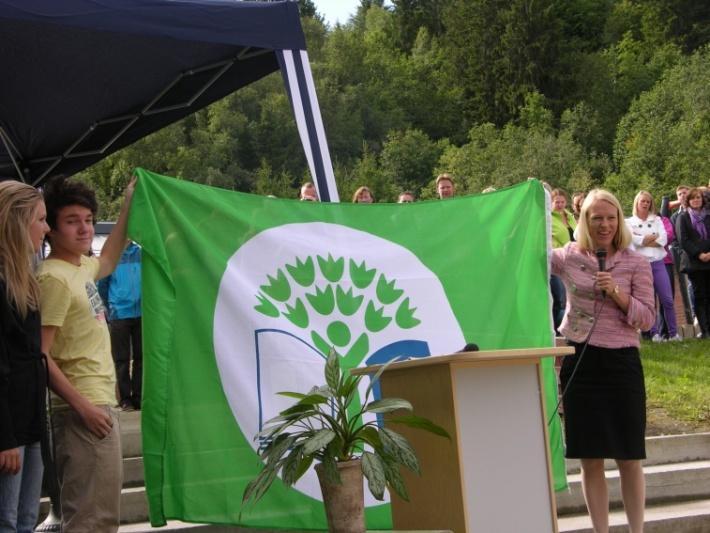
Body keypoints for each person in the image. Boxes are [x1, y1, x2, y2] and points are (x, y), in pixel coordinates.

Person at [552, 189, 655, 533]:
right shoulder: (568, 256)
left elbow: (647, 318)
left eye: (611, 217)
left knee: (629, 457)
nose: (605, 225)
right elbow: (525, 256)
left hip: (622, 364)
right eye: (597, 218)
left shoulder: (636, 262)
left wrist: (617, 293)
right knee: (590, 457)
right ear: (585, 221)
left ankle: (636, 530)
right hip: (581, 362)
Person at [38, 175, 135, 532]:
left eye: (89, 220)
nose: (83, 229)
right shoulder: (54, 278)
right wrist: (84, 407)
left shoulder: (80, 268)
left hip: (98, 404)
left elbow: (109, 255)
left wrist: (127, 205)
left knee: (101, 515)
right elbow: (40, 354)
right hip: (81, 411)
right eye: (71, 221)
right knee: (91, 520)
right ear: (50, 229)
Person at [0, 181, 50, 533]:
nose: (47, 229)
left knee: (26, 519)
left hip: (31, 422)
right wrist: (5, 438)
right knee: (7, 519)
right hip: (10, 429)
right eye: (41, 220)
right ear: (18, 223)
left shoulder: (27, 281)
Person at [626, 190, 681, 342]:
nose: (645, 204)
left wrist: (643, 240)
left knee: (667, 299)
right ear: (636, 202)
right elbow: (632, 241)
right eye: (642, 201)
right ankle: (654, 333)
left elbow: (663, 239)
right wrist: (649, 239)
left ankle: (673, 333)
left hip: (658, 263)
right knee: (648, 301)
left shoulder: (656, 219)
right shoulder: (628, 222)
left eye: (648, 201)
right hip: (642, 266)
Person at [98, 242, 142, 411]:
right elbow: (103, 285)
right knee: (121, 359)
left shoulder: (141, 254)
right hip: (120, 314)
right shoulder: (113, 257)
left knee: (141, 358)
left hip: (142, 313)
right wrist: (111, 306)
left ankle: (138, 397)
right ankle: (125, 399)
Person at [676, 187, 710, 338]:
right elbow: (683, 240)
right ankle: (705, 330)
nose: (696, 200)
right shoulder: (683, 217)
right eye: (693, 198)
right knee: (700, 296)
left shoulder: (708, 215)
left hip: (709, 260)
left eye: (698, 197)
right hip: (694, 263)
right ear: (688, 201)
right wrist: (699, 254)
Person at [550, 188, 577, 333]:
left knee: (571, 299)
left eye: (562, 202)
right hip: (557, 263)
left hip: (574, 262)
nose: (560, 205)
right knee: (560, 299)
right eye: (556, 202)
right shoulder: (547, 217)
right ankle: (560, 331)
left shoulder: (570, 216)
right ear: (551, 203)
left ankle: (568, 330)